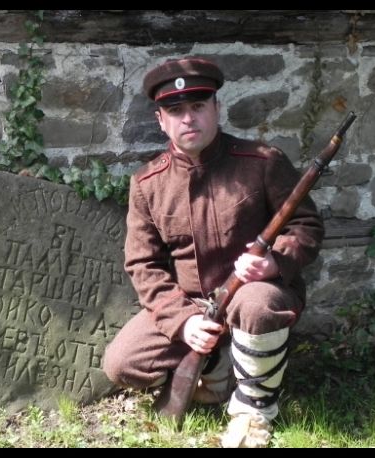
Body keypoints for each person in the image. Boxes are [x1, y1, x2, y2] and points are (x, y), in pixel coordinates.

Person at [102, 57, 324, 448]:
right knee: (122, 364)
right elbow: (143, 264)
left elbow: (306, 226)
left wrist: (275, 262)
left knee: (256, 306)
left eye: (198, 106)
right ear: (161, 120)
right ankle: (219, 365)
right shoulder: (147, 184)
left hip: (254, 292)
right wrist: (183, 322)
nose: (188, 118)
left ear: (216, 109)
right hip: (192, 305)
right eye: (176, 111)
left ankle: (254, 412)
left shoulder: (263, 162)